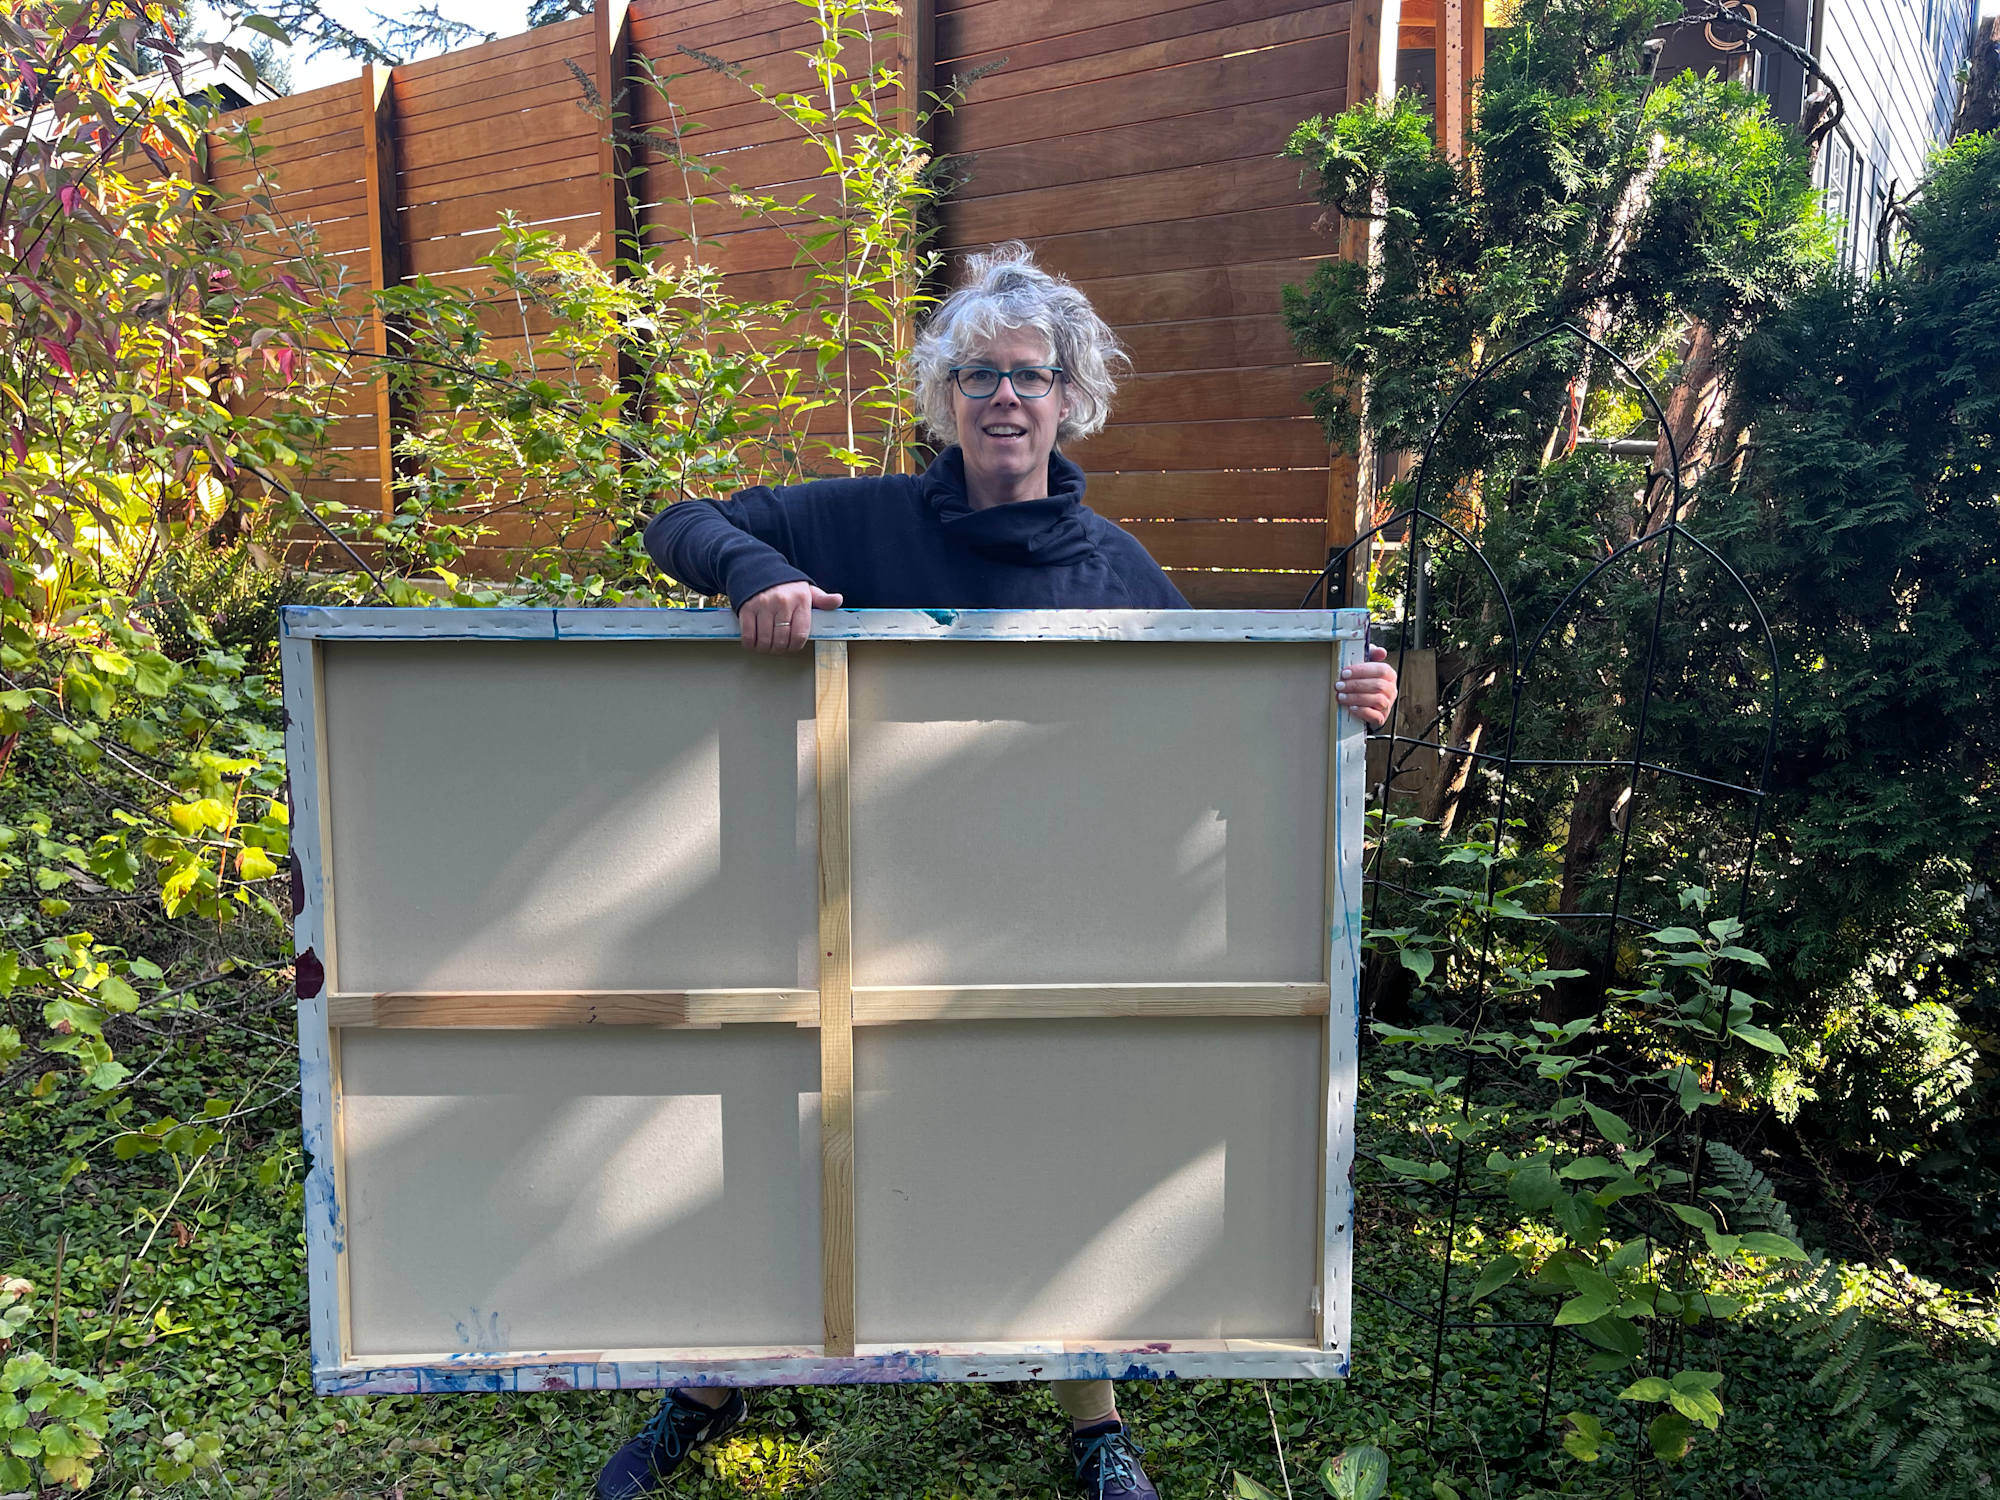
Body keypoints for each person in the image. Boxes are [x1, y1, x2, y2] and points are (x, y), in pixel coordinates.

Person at [604, 242, 1399, 1500]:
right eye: (976, 376)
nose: (1003, 399)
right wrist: (757, 574)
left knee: (1057, 1148)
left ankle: (1094, 1421)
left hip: (1043, 916)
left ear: (1070, 397)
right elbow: (678, 522)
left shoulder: (1114, 570)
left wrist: (1334, 705)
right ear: (945, 397)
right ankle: (709, 1383)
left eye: (1029, 376)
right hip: (844, 899)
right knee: (789, 1125)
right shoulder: (858, 521)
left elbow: (1212, 732)